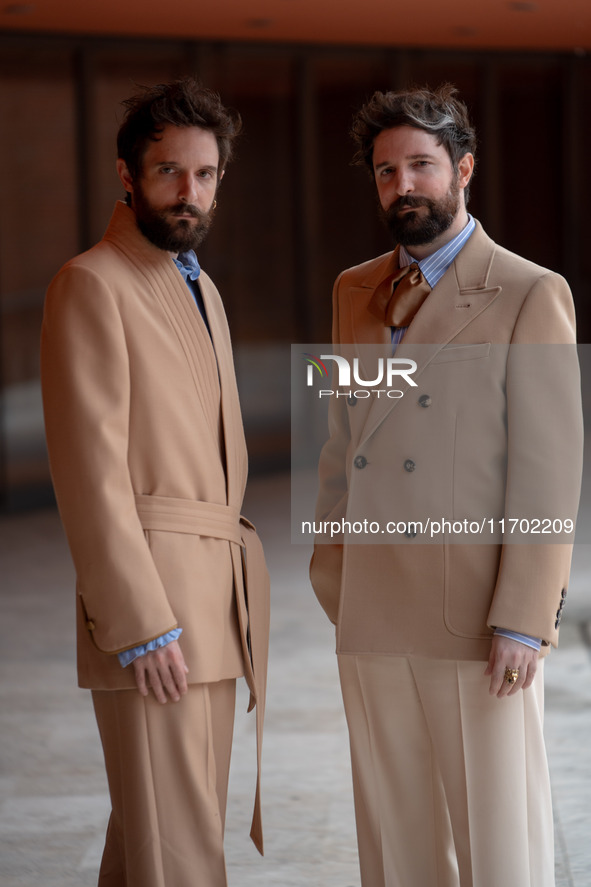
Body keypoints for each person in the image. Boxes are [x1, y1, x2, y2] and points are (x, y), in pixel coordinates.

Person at [310, 84, 583, 887]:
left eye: (421, 166)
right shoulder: (352, 289)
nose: (403, 185)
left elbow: (547, 469)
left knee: (499, 843)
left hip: (476, 620)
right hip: (369, 608)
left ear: (463, 169)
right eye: (386, 170)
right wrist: (334, 566)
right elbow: (338, 443)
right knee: (396, 844)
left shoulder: (530, 292)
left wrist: (524, 619)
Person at [41, 79, 269, 887]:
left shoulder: (198, 286)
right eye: (170, 171)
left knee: (160, 834)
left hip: (213, 597)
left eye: (205, 175)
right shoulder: (91, 283)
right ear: (127, 175)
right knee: (176, 849)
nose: (190, 192)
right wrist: (138, 621)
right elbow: (87, 467)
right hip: (157, 614)